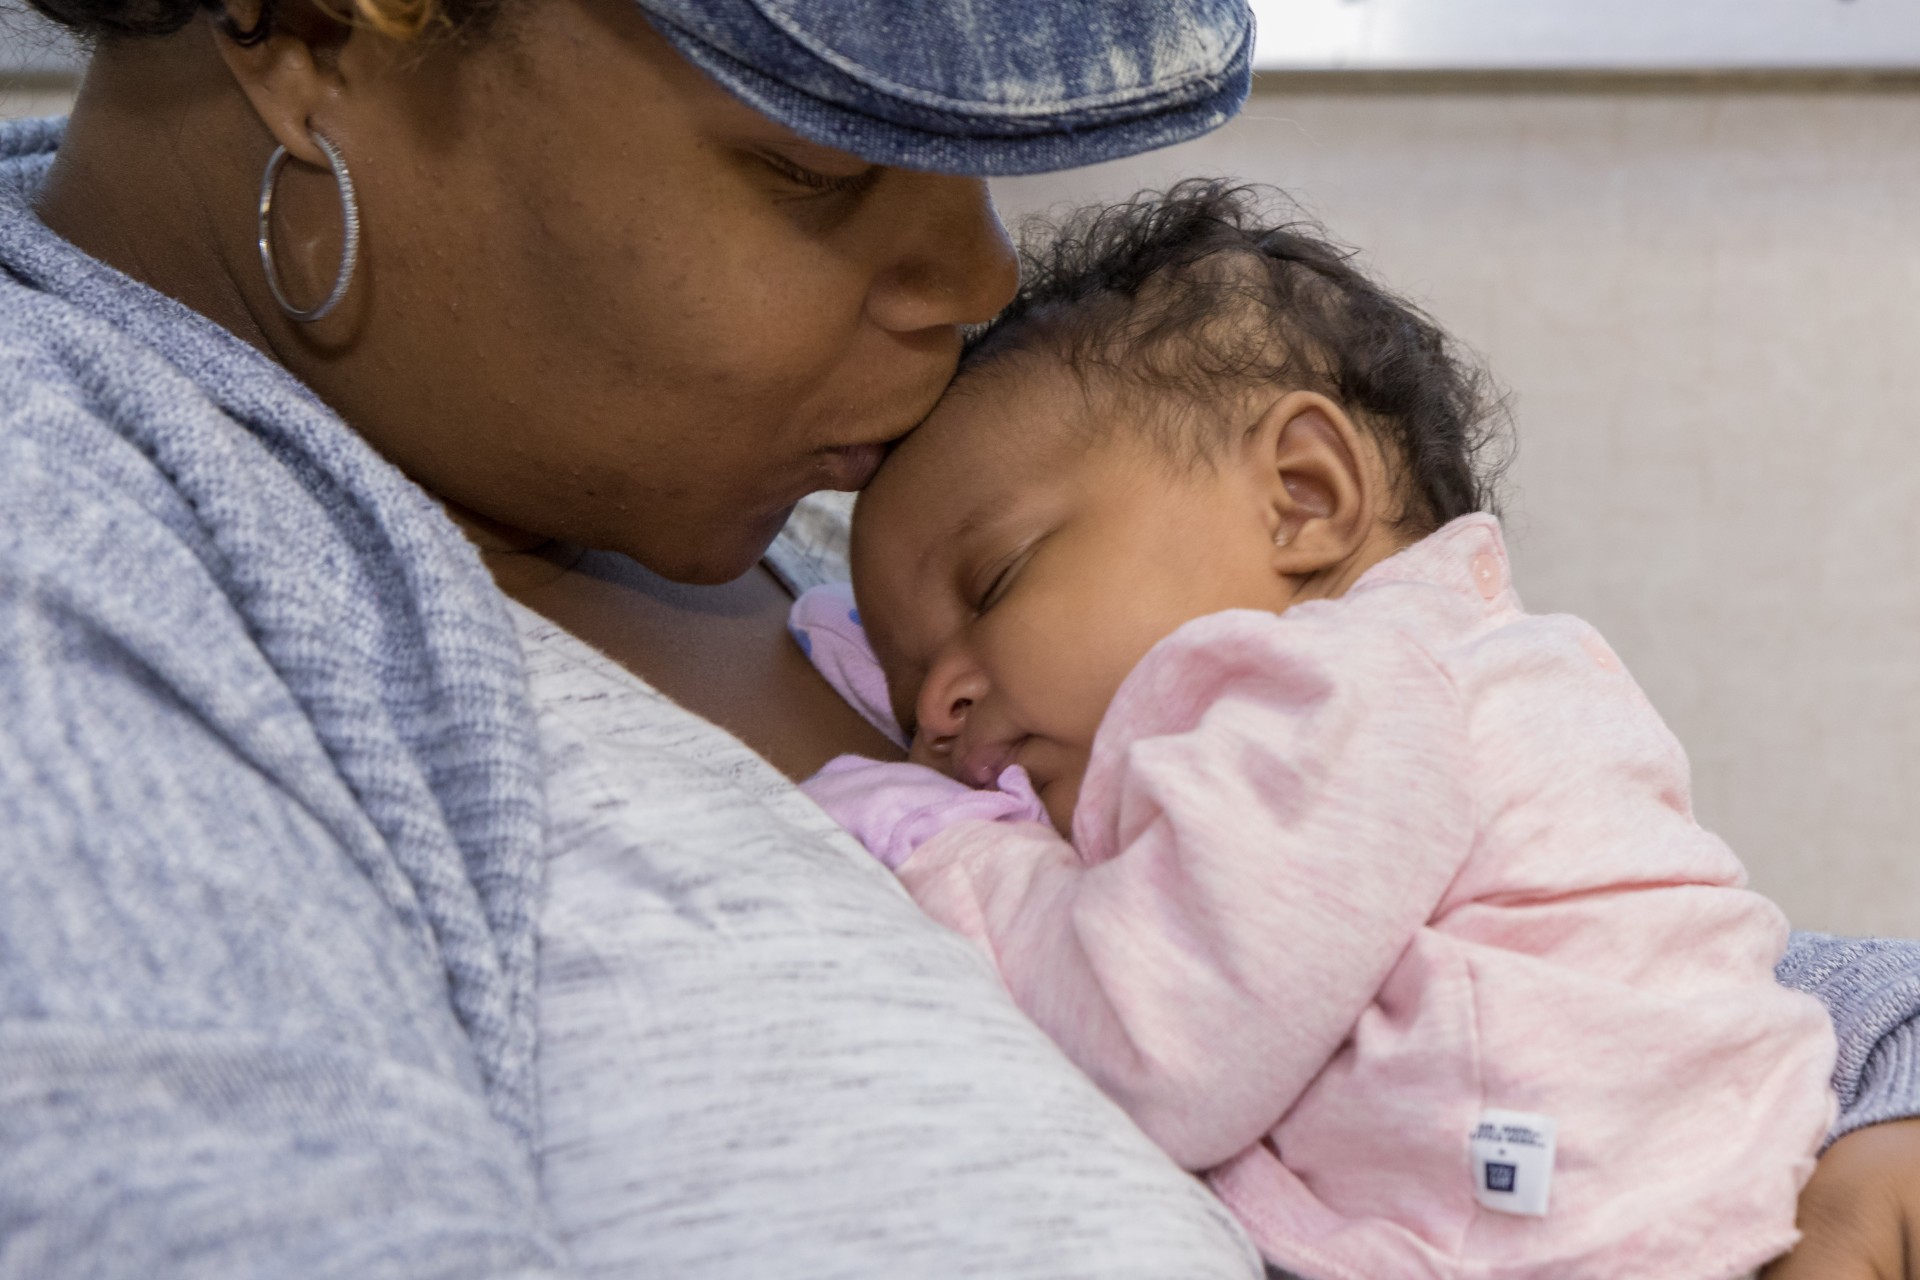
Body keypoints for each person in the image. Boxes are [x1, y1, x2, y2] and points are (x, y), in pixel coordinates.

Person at [0, 0, 1915, 1276]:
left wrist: (1881, 1116)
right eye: (820, 169)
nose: (978, 273)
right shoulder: (83, 548)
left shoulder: (829, 521)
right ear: (309, 25)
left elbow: (1639, 948)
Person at [791, 183, 1837, 1279]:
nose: (938, 710)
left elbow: (1160, 1042)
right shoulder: (1424, 677)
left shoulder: (1342, 694)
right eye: (907, 693)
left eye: (995, 582)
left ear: (1302, 494)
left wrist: (950, 845)